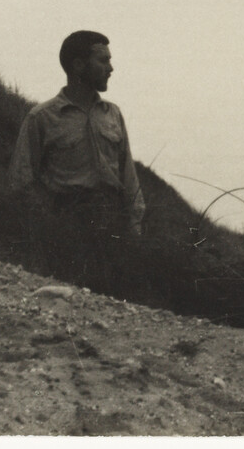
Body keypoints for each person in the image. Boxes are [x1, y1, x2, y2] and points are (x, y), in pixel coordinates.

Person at [8, 30, 146, 288]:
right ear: (79, 65)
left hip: (111, 227)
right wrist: (46, 233)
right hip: (66, 228)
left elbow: (129, 178)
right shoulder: (42, 118)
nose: (111, 68)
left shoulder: (112, 114)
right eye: (103, 61)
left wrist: (133, 228)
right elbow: (22, 181)